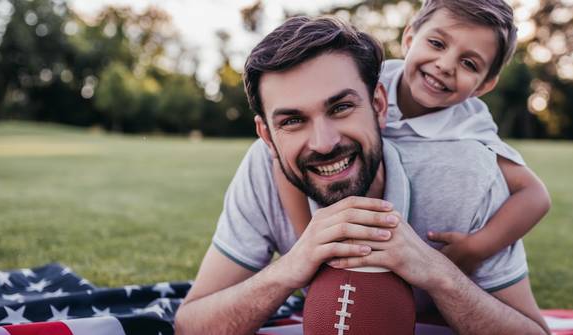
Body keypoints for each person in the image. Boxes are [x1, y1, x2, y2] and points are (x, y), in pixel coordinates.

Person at [175, 16, 549, 335]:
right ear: (266, 136)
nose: (323, 143)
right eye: (292, 121)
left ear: (379, 105)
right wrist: (289, 269)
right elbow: (190, 324)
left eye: (340, 107)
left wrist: (439, 274)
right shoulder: (263, 168)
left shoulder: (469, 174)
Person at [274, 0, 551, 276]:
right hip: (336, 194)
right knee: (277, 154)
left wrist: (475, 248)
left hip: (405, 243)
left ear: (485, 84)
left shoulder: (470, 127)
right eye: (437, 44)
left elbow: (535, 195)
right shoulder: (368, 80)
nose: (445, 65)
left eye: (468, 63)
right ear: (409, 38)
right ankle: (312, 260)